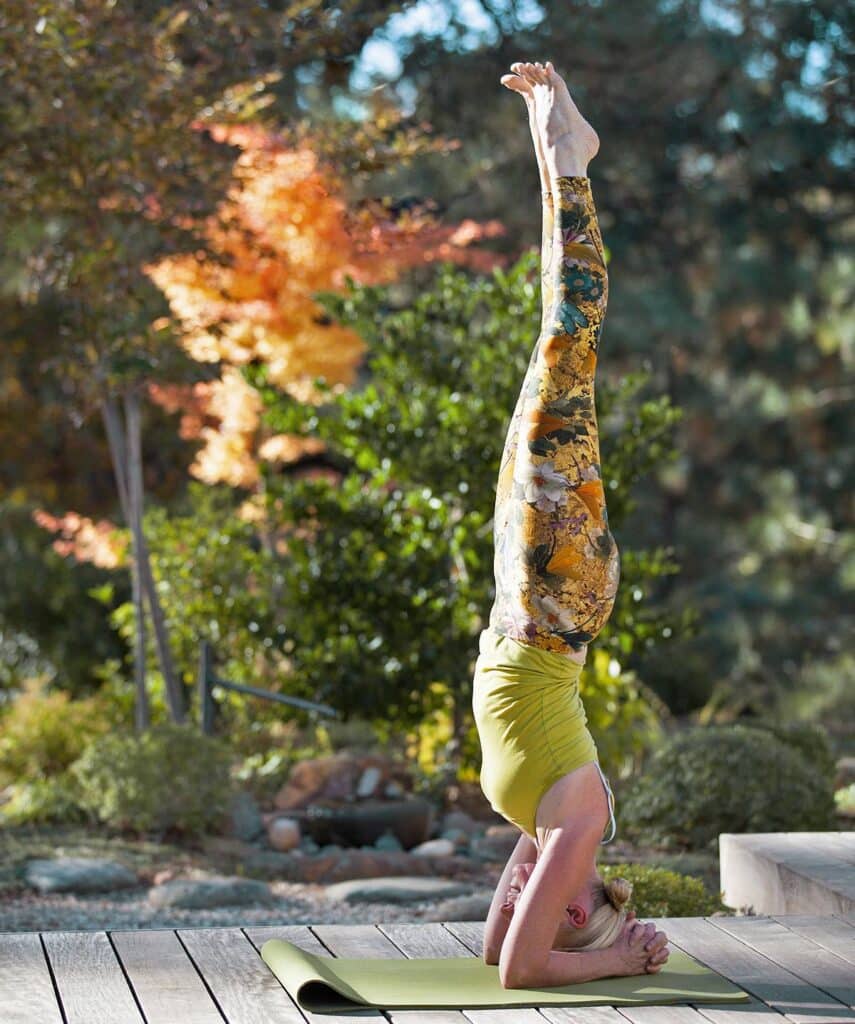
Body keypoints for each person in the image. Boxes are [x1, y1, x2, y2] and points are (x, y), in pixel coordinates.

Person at [471, 60, 670, 989]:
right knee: (567, 338)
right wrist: (620, 963)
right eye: (542, 904)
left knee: (551, 351)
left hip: (533, 586)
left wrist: (542, 919)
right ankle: (569, 161)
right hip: (554, 592)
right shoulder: (576, 817)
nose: (511, 897)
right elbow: (517, 972)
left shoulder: (544, 826)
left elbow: (491, 952)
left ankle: (556, 157)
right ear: (575, 908)